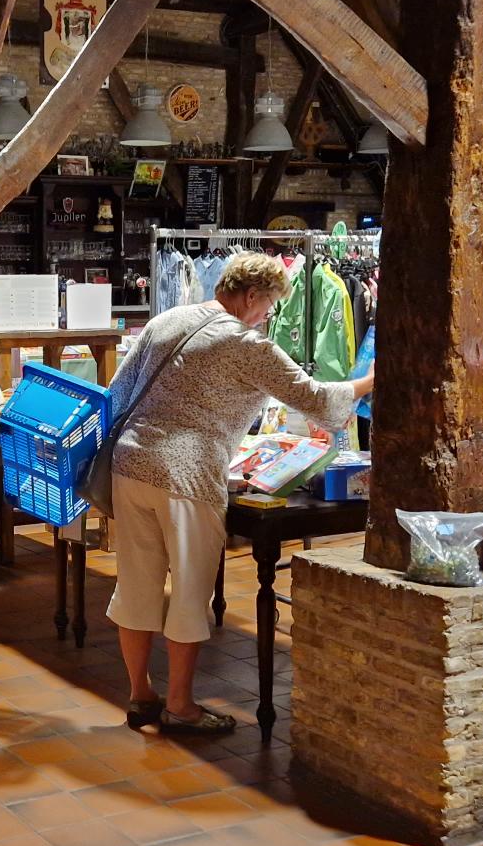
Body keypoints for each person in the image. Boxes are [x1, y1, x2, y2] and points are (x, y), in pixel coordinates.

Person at [105, 253, 372, 735]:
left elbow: (119, 391)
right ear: (252, 296)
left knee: (138, 583)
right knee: (190, 589)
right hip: (187, 476)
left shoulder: (169, 319)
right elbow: (315, 398)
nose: (268, 315)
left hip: (131, 464)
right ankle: (182, 706)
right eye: (269, 305)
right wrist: (372, 380)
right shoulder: (246, 345)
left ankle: (141, 694)